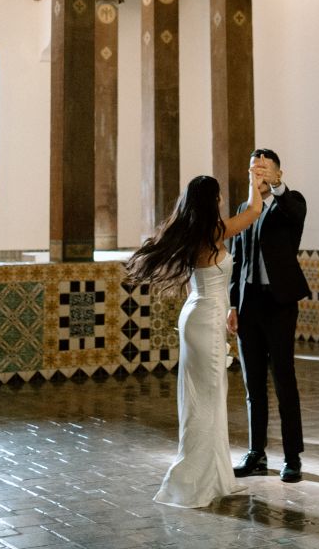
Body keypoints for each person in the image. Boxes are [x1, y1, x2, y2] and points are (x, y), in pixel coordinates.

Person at [126, 167, 264, 508]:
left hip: (196, 315)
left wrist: (227, 308)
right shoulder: (216, 231)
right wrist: (252, 181)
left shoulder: (192, 232)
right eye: (218, 196)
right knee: (208, 400)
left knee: (206, 398)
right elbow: (254, 212)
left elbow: (199, 282)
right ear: (213, 200)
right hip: (205, 320)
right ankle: (190, 482)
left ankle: (215, 479)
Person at [228, 148, 310, 483]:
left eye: (264, 168)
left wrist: (277, 187)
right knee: (253, 384)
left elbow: (293, 213)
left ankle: (292, 457)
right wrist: (233, 305)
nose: (257, 173)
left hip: (279, 303)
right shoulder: (244, 210)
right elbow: (236, 261)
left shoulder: (291, 203)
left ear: (277, 172)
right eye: (253, 168)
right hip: (249, 304)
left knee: (284, 380)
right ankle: (256, 453)